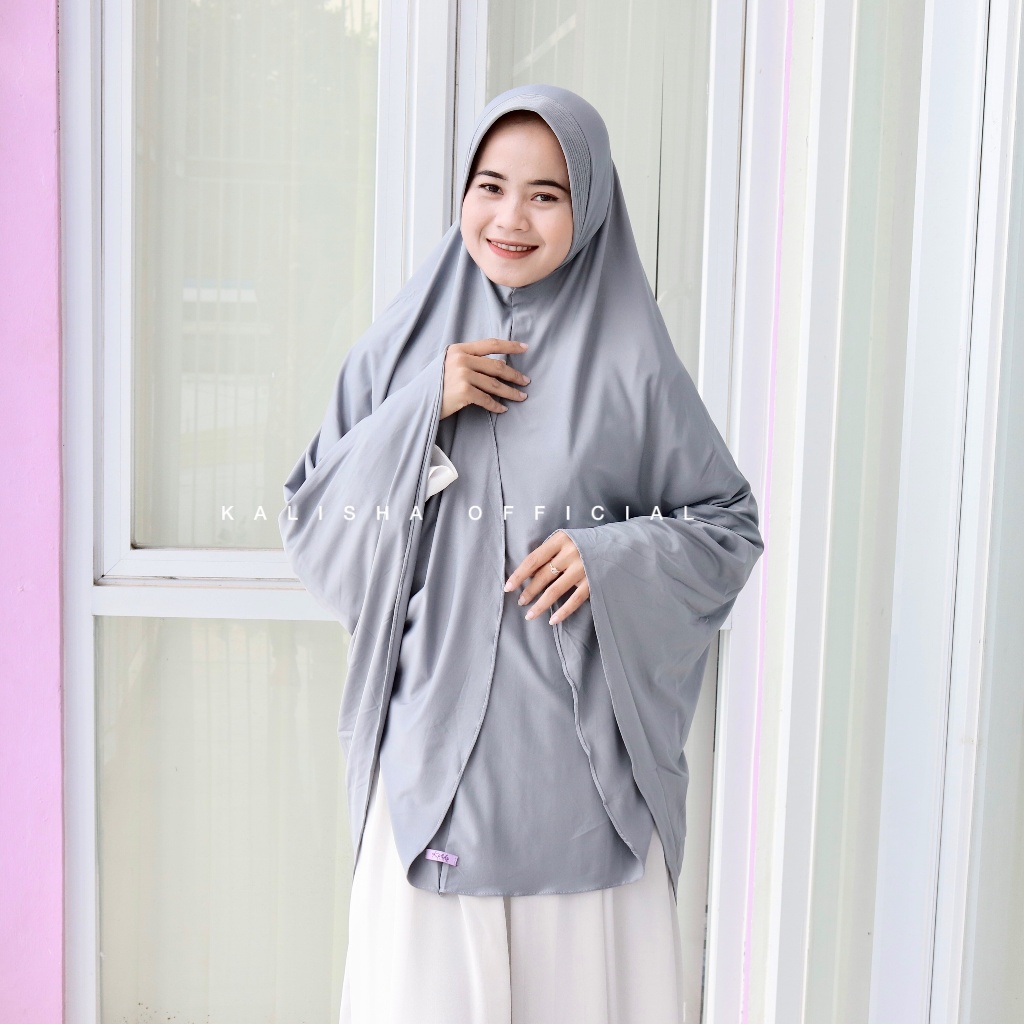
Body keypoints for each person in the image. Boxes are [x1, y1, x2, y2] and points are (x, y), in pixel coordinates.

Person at [279, 84, 764, 1024]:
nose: (510, 218)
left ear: (591, 207)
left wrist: (611, 558)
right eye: (490, 186)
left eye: (547, 194)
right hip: (432, 772)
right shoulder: (402, 349)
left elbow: (727, 526)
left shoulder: (635, 365)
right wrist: (425, 405)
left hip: (583, 793)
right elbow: (315, 527)